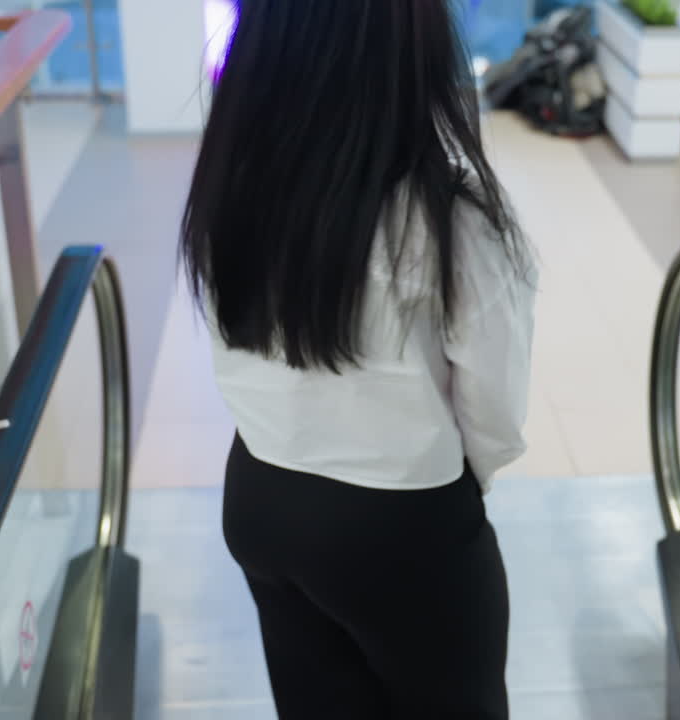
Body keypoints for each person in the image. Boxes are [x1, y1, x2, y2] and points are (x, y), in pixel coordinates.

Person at [180, 2, 535, 718]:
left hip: (259, 495)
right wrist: (459, 491)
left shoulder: (231, 184)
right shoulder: (448, 213)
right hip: (402, 525)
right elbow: (493, 409)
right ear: (408, 50)